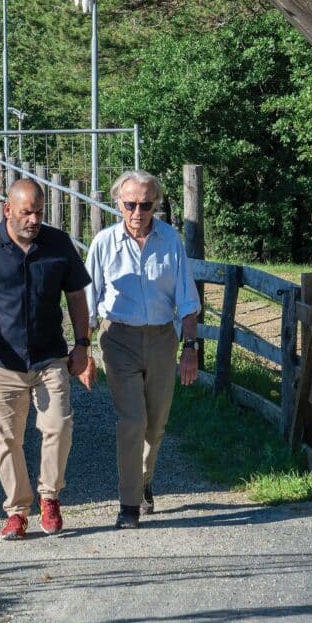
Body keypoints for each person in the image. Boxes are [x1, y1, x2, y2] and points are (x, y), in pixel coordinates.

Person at [0, 178, 92, 540]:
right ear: (7, 210)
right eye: (26, 212)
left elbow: (77, 297)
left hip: (49, 357)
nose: (33, 219)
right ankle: (17, 509)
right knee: (5, 439)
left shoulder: (58, 244)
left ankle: (50, 497)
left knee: (59, 426)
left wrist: (82, 344)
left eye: (39, 212)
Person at [85, 169, 201, 529]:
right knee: (132, 421)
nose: (138, 212)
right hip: (118, 338)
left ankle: (145, 479)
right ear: (118, 203)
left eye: (146, 204)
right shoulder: (104, 243)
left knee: (156, 424)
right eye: (131, 204)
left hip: (163, 339)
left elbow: (186, 299)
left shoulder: (170, 241)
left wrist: (191, 348)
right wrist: (82, 348)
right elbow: (88, 300)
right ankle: (129, 503)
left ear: (156, 204)